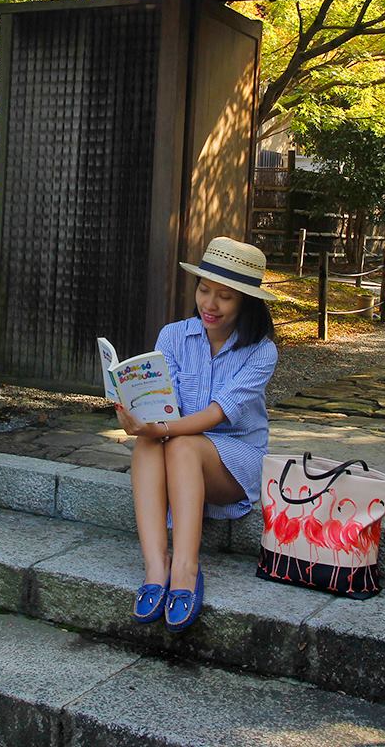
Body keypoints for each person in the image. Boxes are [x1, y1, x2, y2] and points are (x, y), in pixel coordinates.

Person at [115, 236, 278, 632]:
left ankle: (186, 569)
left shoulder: (261, 352)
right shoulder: (173, 337)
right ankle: (157, 567)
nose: (210, 304)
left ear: (246, 302)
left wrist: (163, 428)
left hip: (234, 457)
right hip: (177, 447)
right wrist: (132, 413)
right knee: (147, 442)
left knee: (180, 443)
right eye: (204, 290)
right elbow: (159, 404)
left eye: (225, 296)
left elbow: (215, 414)